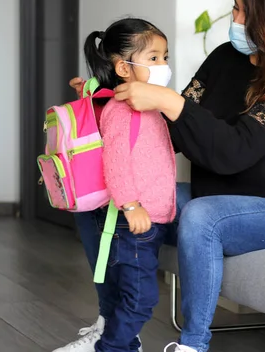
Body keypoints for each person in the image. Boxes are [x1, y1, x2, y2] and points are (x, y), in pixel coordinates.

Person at [71, 0, 265, 352]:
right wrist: (108, 102)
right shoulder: (224, 57)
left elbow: (232, 152)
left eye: (241, 8)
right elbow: (171, 130)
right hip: (213, 194)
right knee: (102, 199)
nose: (234, 15)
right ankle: (114, 328)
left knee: (201, 216)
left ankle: (193, 345)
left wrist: (169, 102)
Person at [55, 18, 176, 352]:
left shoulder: (145, 103)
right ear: (124, 67)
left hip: (153, 217)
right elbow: (117, 162)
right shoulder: (124, 110)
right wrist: (131, 203)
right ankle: (112, 347)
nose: (163, 65)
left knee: (134, 293)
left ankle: (117, 344)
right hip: (136, 219)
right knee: (140, 298)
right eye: (154, 58)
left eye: (165, 57)